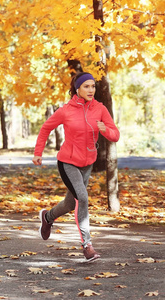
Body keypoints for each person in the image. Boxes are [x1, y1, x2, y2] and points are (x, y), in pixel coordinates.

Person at [32, 72, 120, 261]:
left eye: (93, 86)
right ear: (77, 88)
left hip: (87, 164)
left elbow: (115, 135)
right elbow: (46, 128)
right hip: (67, 162)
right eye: (86, 86)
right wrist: (38, 153)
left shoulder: (100, 109)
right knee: (82, 197)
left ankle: (47, 218)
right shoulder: (66, 110)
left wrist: (105, 130)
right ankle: (87, 245)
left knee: (71, 203)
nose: (91, 90)